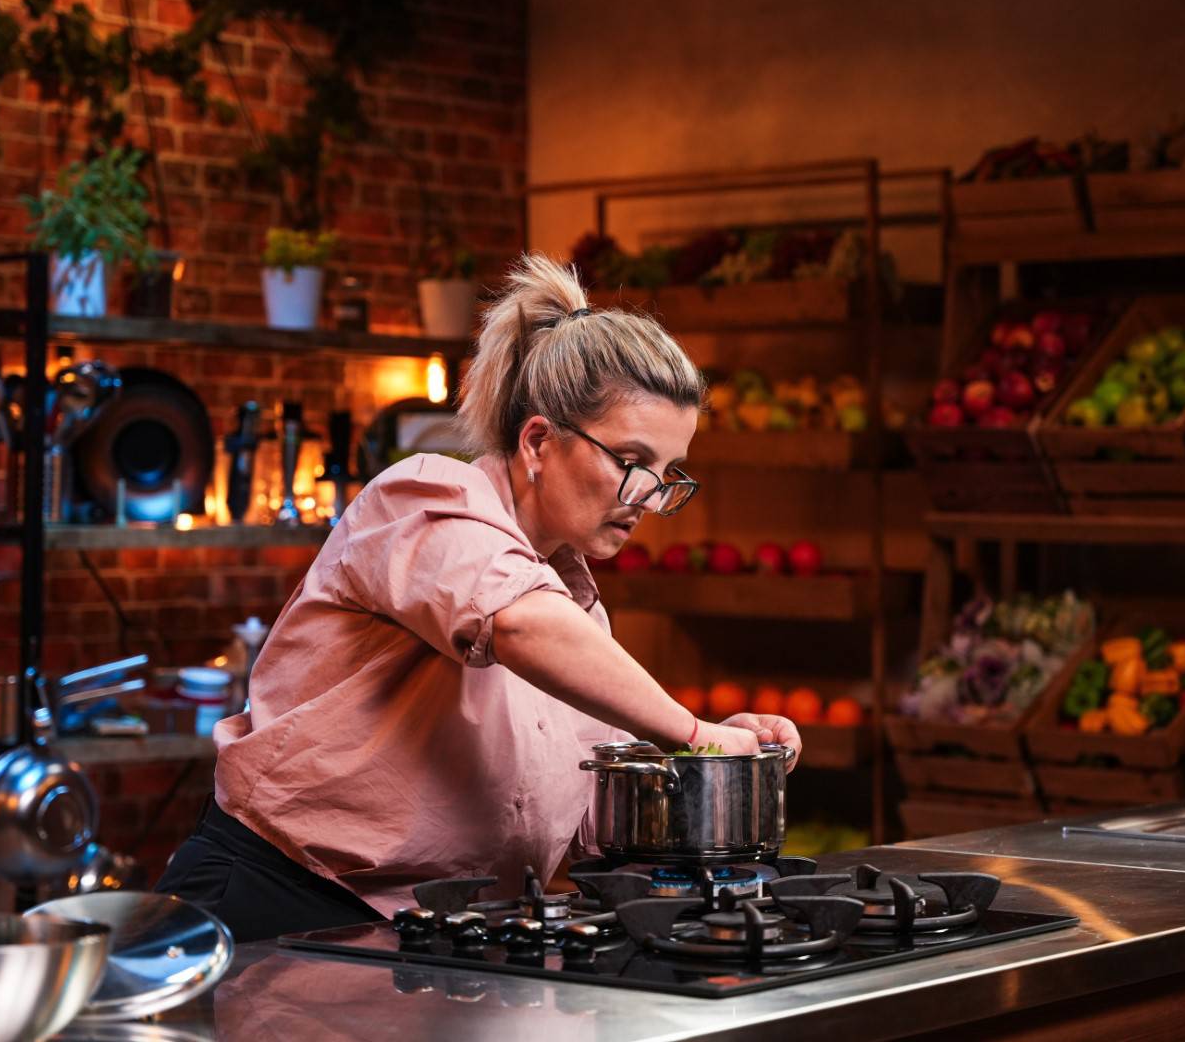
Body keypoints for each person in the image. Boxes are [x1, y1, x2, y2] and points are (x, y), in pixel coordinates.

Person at [155, 254, 802, 941]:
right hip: (276, 900)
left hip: (426, 931)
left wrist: (719, 770)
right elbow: (515, 621)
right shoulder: (429, 499)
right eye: (630, 462)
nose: (647, 496)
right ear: (537, 442)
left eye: (667, 473)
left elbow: (589, 820)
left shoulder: (576, 613)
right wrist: (696, 734)